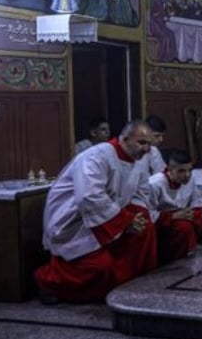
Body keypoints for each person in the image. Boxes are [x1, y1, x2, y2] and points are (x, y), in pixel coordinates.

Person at [34, 120, 157, 303]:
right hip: (75, 222)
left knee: (145, 231)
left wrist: (137, 217)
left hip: (109, 217)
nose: (147, 149)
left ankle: (127, 283)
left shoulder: (140, 159)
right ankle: (48, 280)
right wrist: (126, 221)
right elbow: (90, 197)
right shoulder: (95, 157)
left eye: (149, 144)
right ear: (124, 139)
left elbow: (141, 191)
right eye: (142, 143)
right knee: (100, 267)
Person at [149, 149, 202, 264]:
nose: (187, 175)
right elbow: (148, 214)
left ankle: (188, 257)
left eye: (189, 170)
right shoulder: (154, 184)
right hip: (162, 223)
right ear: (170, 170)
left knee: (188, 225)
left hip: (184, 216)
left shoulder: (191, 179)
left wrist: (192, 214)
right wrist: (173, 216)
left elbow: (197, 202)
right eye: (181, 171)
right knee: (183, 227)